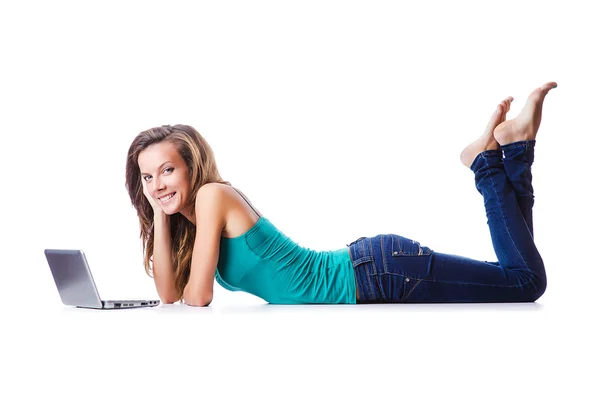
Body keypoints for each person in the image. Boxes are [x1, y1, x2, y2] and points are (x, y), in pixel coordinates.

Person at [125, 81, 557, 306]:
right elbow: (170, 294)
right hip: (373, 270)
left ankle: (484, 162)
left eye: (166, 171)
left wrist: (162, 203)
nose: (157, 183)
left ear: (191, 166)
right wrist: (159, 211)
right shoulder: (190, 216)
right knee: (516, 276)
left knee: (524, 282)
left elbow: (197, 298)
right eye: (146, 177)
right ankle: (516, 148)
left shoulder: (211, 197)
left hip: (380, 275)